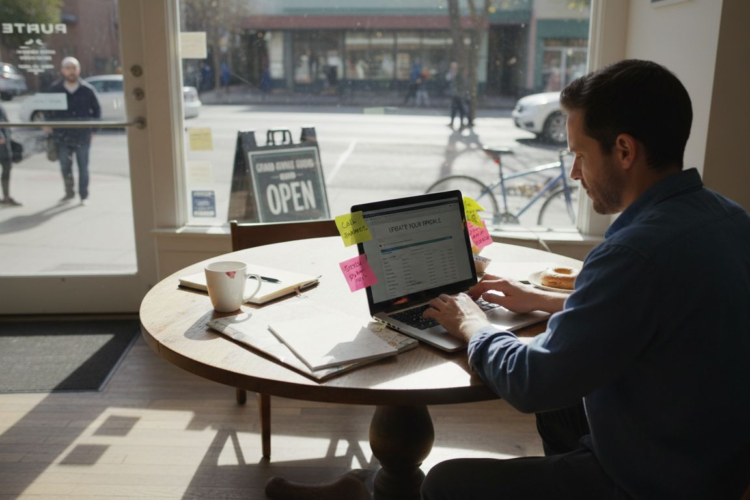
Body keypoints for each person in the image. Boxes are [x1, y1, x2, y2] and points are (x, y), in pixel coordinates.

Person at [421, 59, 750, 499]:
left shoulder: (631, 254)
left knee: (445, 483)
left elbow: (530, 381)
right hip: (716, 457)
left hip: (655, 481)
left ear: (625, 150)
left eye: (580, 154)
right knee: (562, 407)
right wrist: (543, 298)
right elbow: (660, 312)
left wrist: (471, 325)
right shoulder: (730, 218)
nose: (575, 173)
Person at [45, 57, 101, 206]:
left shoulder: (87, 90)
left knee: (83, 167)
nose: (71, 71)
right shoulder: (55, 89)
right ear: (63, 71)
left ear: (79, 70)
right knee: (65, 166)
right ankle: (69, 192)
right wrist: (47, 125)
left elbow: (97, 112)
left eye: (74, 67)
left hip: (83, 136)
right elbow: (47, 111)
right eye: (68, 68)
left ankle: (84, 195)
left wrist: (94, 131)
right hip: (62, 136)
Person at [0, 104, 21, 206]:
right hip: (2, 140)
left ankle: (6, 197)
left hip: (4, 138)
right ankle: (6, 197)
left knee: (7, 167)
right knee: (6, 166)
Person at [445, 62, 467, 128]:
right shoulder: (452, 74)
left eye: (454, 67)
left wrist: (461, 93)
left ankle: (461, 123)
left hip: (459, 95)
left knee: (461, 109)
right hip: (454, 95)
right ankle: (452, 122)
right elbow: (448, 78)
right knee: (453, 109)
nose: (453, 68)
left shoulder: (459, 75)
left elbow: (462, 84)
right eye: (452, 67)